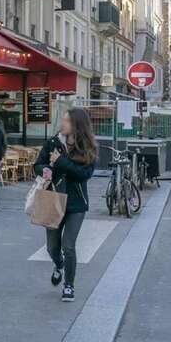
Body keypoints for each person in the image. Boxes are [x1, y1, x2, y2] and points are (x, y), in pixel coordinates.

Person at [34, 108, 97, 303]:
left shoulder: (88, 146)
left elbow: (84, 174)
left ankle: (69, 285)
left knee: (69, 246)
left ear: (77, 124)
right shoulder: (53, 142)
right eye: (63, 120)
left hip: (76, 204)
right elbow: (38, 163)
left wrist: (60, 161)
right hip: (53, 199)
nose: (62, 124)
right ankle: (58, 264)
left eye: (67, 121)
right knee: (53, 247)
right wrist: (44, 169)